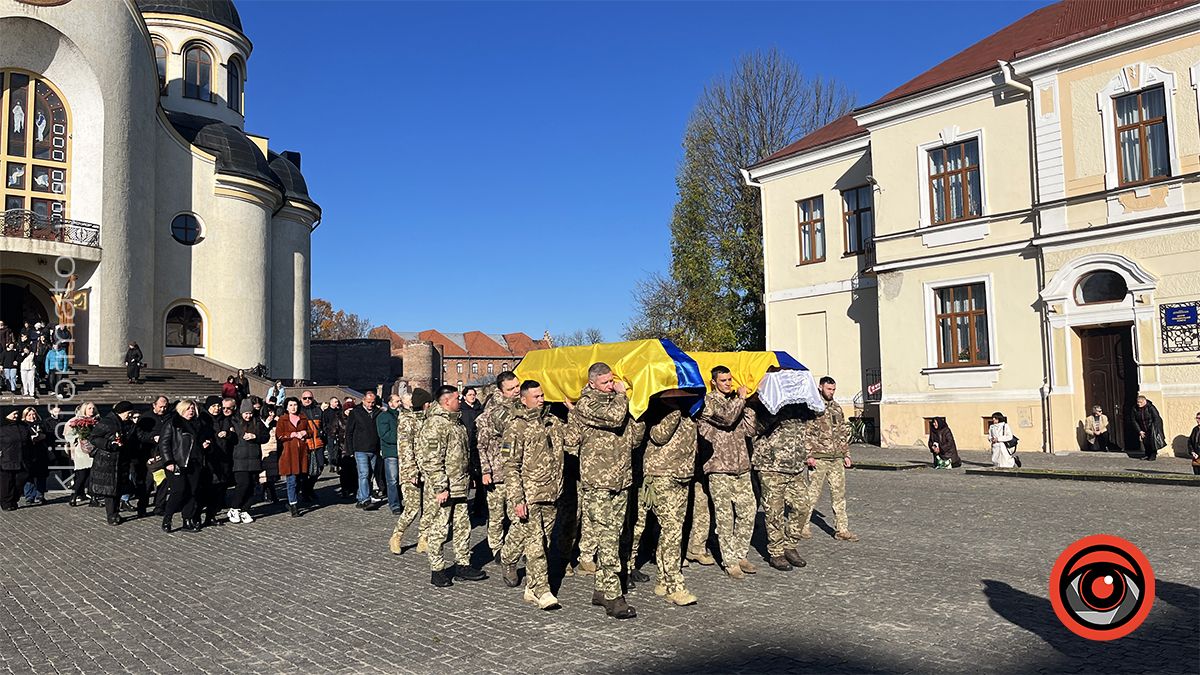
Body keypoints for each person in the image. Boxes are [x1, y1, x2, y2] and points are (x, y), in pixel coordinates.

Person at [572, 362, 640, 619]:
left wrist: (638, 413)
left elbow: (634, 439)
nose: (611, 386)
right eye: (605, 382)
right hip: (598, 481)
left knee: (616, 535)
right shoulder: (586, 404)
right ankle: (613, 596)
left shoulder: (617, 402)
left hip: (621, 479)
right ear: (592, 383)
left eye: (612, 381)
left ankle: (601, 589)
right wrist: (623, 396)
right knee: (608, 537)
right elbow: (614, 418)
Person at [628, 397, 701, 604]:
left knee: (672, 529)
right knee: (671, 529)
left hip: (682, 475)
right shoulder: (656, 408)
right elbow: (659, 436)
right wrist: (674, 411)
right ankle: (674, 586)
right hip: (661, 475)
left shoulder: (691, 409)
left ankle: (663, 579)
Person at [502, 380, 568, 610]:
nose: (541, 399)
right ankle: (541, 590)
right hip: (530, 495)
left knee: (544, 542)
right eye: (536, 396)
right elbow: (510, 466)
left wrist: (574, 411)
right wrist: (517, 499)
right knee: (535, 544)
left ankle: (530, 585)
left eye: (542, 395)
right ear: (523, 399)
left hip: (551, 493)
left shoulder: (552, 421)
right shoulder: (516, 427)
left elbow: (573, 439)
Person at [418, 385, 487, 587]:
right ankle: (437, 569)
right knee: (440, 529)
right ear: (446, 401)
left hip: (460, 485)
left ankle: (463, 565)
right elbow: (432, 460)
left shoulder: (456, 422)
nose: (460, 401)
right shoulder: (435, 424)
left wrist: (470, 475)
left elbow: (463, 453)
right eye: (457, 398)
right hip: (444, 488)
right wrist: (440, 487)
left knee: (462, 527)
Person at [697, 365, 758, 579]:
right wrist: (740, 399)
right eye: (723, 380)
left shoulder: (736, 402)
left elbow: (750, 430)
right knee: (725, 516)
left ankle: (740, 554)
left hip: (741, 466)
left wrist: (748, 405)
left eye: (730, 380)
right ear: (714, 382)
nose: (728, 383)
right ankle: (730, 561)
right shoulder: (708, 402)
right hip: (719, 467)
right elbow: (727, 418)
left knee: (748, 511)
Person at [798, 377, 860, 542]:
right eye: (828, 389)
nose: (831, 392)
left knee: (839, 495)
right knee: (812, 494)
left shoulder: (837, 408)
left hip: (836, 458)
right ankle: (802, 525)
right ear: (820, 387)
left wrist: (846, 454)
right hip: (818, 458)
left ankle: (842, 529)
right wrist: (808, 455)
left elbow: (842, 433)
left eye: (833, 389)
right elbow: (807, 433)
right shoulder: (813, 407)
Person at [751, 403, 810, 572]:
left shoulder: (802, 403)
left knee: (803, 506)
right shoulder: (768, 401)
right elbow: (755, 428)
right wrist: (774, 411)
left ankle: (790, 545)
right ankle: (776, 552)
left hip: (795, 465)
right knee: (774, 512)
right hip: (771, 465)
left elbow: (818, 412)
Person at [478, 371, 521, 564]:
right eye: (511, 389)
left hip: (516, 471)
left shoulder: (521, 405)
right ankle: (496, 548)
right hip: (496, 471)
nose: (516, 391)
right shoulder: (493, 410)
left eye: (517, 386)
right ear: (501, 390)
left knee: (517, 515)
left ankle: (513, 547)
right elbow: (482, 443)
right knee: (496, 516)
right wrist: (486, 470)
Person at [389, 389, 435, 555]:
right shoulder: (407, 420)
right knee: (412, 508)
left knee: (429, 507)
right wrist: (411, 471)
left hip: (428, 470)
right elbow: (405, 448)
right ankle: (397, 536)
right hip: (411, 472)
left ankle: (423, 539)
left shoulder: (428, 419)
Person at [159, 400, 213, 533]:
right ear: (181, 409)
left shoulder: (199, 424)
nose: (191, 411)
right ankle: (167, 517)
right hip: (178, 463)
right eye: (188, 408)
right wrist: (169, 461)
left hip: (195, 462)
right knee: (179, 490)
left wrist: (205, 444)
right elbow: (164, 443)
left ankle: (187, 520)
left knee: (192, 492)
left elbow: (202, 440)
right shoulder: (173, 423)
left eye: (193, 409)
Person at [89, 401, 138, 525]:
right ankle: (111, 515)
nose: (130, 415)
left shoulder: (128, 423)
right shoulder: (107, 422)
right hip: (107, 460)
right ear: (122, 412)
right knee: (109, 490)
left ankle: (116, 512)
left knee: (118, 488)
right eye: (129, 413)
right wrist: (109, 444)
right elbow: (93, 438)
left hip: (121, 460)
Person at [229, 399, 269, 524]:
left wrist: (255, 436)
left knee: (252, 485)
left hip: (254, 459)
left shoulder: (257, 422)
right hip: (239, 459)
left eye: (250, 413)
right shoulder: (234, 422)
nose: (248, 416)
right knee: (243, 484)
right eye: (246, 413)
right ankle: (234, 508)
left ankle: (245, 509)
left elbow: (266, 436)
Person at [344, 391, 384, 509]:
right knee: (364, 473)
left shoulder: (377, 412)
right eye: (368, 402)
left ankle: (360, 497)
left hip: (374, 448)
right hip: (360, 448)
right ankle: (366, 499)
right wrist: (350, 449)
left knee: (370, 474)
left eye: (373, 402)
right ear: (363, 400)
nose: (370, 405)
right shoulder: (356, 412)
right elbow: (349, 431)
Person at [275, 396, 310, 517]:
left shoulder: (303, 417)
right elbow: (279, 435)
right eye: (290, 405)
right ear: (286, 407)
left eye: (295, 405)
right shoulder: (283, 419)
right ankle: (293, 504)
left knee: (300, 479)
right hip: (289, 453)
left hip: (302, 453)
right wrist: (292, 434)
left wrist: (305, 433)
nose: (293, 407)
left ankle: (293, 499)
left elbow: (310, 432)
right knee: (291, 480)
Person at [64, 401, 98, 507]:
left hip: (95, 450)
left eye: (93, 408)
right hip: (82, 452)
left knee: (94, 476)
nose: (92, 410)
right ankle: (73, 496)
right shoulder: (77, 421)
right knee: (81, 476)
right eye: (89, 408)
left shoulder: (98, 420)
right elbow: (68, 435)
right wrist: (79, 438)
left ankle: (93, 498)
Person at [376, 393, 404, 514]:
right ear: (390, 403)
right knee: (392, 480)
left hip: (404, 452)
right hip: (391, 452)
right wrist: (401, 439)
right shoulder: (384, 417)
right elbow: (384, 434)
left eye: (400, 401)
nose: (400, 403)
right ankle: (394, 504)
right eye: (397, 401)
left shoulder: (402, 415)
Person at [459, 386, 485, 514]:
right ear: (464, 397)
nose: (473, 397)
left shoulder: (480, 409)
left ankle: (479, 506)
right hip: (466, 446)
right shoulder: (461, 410)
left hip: (478, 446)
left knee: (480, 478)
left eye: (474, 394)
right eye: (470, 395)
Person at [0, 407, 31, 511]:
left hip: (22, 459)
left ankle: (14, 499)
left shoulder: (23, 426)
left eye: (17, 413)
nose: (16, 416)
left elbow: (28, 442)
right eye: (14, 413)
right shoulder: (2, 428)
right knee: (7, 483)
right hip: (7, 459)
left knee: (20, 480)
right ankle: (6, 502)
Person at [298, 391, 325, 503]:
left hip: (318, 443)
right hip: (306, 445)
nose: (307, 400)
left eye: (309, 398)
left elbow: (323, 425)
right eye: (305, 398)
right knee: (305, 471)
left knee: (320, 467)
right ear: (301, 399)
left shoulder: (318, 410)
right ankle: (305, 492)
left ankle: (309, 488)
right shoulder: (299, 411)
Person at [20, 407, 50, 505]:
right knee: (29, 476)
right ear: (25, 416)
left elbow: (49, 435)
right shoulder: (23, 426)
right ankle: (29, 496)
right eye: (29, 415)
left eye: (34, 414)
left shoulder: (42, 424)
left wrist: (43, 436)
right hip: (28, 454)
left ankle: (40, 495)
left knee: (41, 475)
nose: (32, 417)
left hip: (41, 453)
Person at [1130, 394, 1165, 461]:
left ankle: (1153, 455)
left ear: (1144, 401)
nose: (1138, 404)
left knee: (1152, 442)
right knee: (1145, 442)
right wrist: (1139, 431)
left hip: (1151, 427)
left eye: (1140, 402)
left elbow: (1156, 418)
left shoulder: (1150, 407)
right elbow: (1134, 420)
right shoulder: (1135, 409)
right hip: (1142, 427)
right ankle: (1147, 454)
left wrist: (1154, 428)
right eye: (1138, 402)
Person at [1188, 412, 1200, 476]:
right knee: (1196, 475)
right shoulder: (1195, 429)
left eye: (1199, 418)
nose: (1197, 420)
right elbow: (1190, 441)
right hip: (1196, 457)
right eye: (1197, 418)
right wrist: (1192, 451)